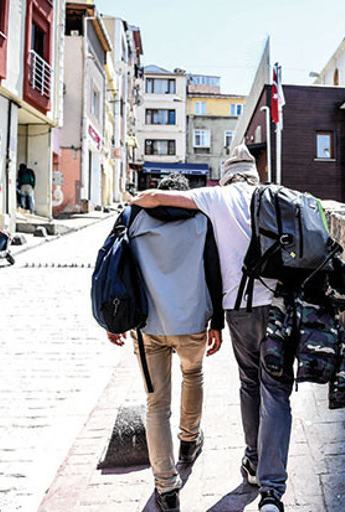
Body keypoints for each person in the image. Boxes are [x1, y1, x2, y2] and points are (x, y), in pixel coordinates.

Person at [130, 146, 289, 512]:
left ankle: (233, 467)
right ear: (253, 173)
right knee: (272, 390)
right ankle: (267, 488)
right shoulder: (263, 199)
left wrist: (133, 200)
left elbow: (151, 205)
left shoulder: (213, 198)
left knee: (245, 384)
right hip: (267, 310)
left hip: (223, 313)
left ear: (228, 173)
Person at [108, 173, 224, 512]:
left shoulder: (132, 217)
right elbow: (214, 271)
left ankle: (167, 487)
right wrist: (217, 322)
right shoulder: (202, 219)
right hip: (191, 323)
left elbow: (114, 267)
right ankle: (189, 441)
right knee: (194, 375)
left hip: (148, 325)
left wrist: (113, 320)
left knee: (156, 404)